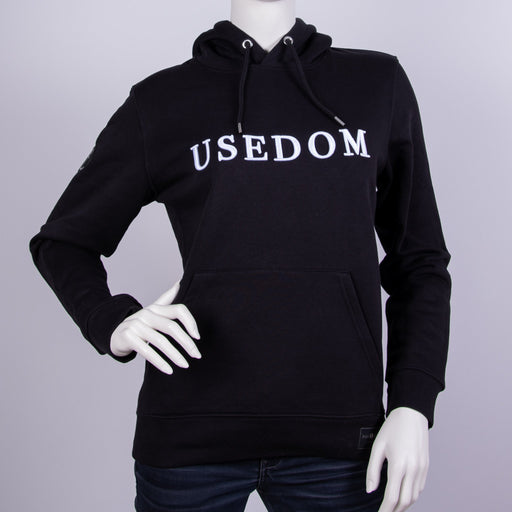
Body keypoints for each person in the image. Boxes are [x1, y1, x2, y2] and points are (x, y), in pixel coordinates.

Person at [28, 0, 452, 511]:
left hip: (338, 438)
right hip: (190, 435)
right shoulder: (162, 101)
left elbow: (420, 262)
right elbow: (63, 242)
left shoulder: (376, 84)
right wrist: (111, 320)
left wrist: (412, 402)